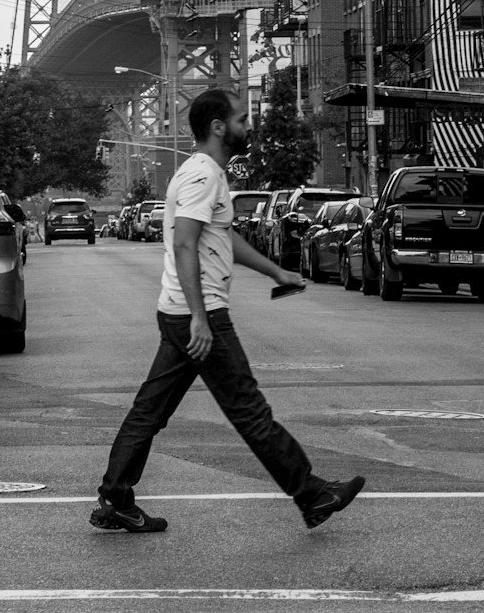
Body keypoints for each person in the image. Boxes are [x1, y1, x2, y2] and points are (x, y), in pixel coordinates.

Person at [92, 88, 365, 533]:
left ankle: (115, 499)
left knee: (150, 410)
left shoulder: (206, 174)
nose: (247, 126)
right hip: (198, 314)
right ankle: (312, 494)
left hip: (181, 312)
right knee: (248, 409)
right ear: (219, 127)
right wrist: (200, 318)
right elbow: (184, 243)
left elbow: (224, 239)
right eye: (241, 119)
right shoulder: (202, 176)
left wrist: (276, 271)